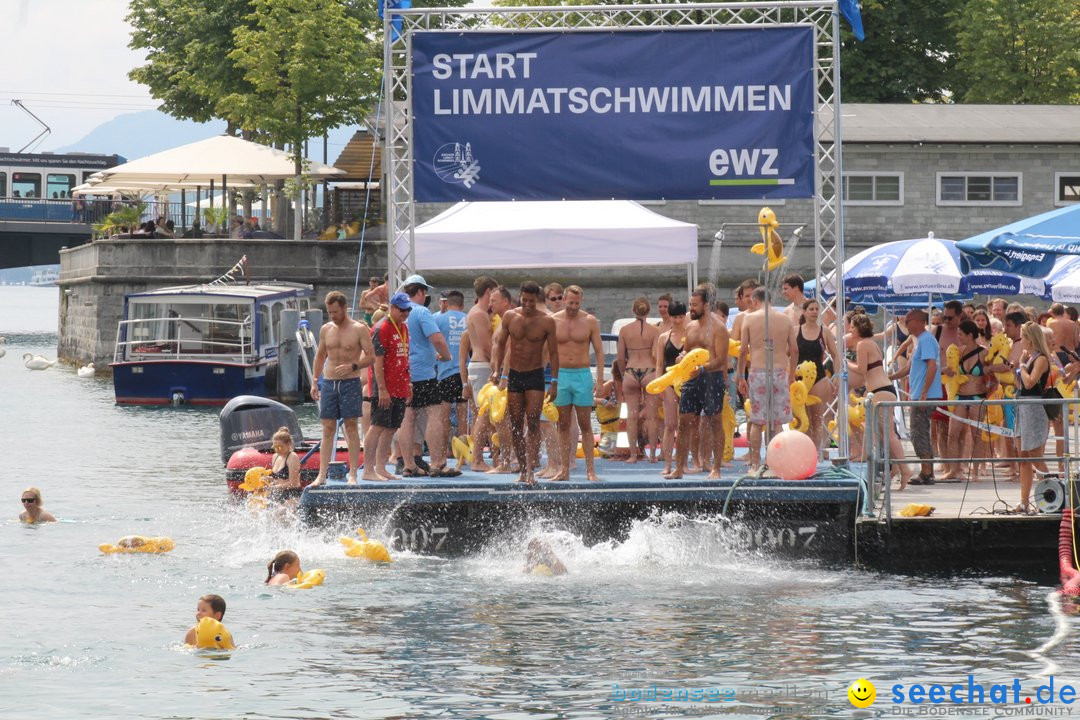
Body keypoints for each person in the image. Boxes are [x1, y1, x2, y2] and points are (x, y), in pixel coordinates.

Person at [491, 281, 559, 485]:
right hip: (514, 375)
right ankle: (521, 469)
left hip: (535, 375)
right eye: (525, 300)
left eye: (532, 301)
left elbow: (555, 354)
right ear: (520, 297)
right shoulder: (511, 317)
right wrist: (497, 370)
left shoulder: (546, 321)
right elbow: (500, 344)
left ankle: (530, 469)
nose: (528, 304)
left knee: (533, 422)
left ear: (537, 300)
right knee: (515, 424)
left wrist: (554, 381)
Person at [309, 291, 376, 486]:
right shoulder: (326, 329)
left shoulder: (358, 329)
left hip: (350, 382)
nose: (333, 316)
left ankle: (353, 474)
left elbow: (371, 357)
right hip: (329, 382)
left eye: (336, 312)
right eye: (330, 312)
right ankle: (321, 474)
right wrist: (315, 381)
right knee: (328, 428)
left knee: (351, 426)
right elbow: (320, 356)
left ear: (345, 309)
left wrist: (353, 366)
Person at [668, 288, 730, 479]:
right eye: (690, 304)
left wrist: (703, 369)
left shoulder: (719, 328)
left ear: (706, 305)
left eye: (695, 305)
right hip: (691, 378)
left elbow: (721, 360)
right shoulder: (690, 326)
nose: (691, 308)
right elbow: (687, 353)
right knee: (684, 422)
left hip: (712, 377)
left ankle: (716, 469)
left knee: (714, 422)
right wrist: (681, 357)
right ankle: (679, 469)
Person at [849, 315, 912, 490]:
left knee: (889, 434)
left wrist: (846, 362)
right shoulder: (871, 343)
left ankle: (905, 469)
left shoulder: (863, 344)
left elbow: (861, 370)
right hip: (884, 389)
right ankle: (897, 468)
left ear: (859, 328)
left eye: (852, 327)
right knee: (885, 434)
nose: (850, 330)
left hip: (880, 391)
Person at [397, 275, 451, 477]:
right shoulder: (421, 311)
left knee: (407, 417)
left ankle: (408, 464)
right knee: (434, 413)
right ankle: (437, 463)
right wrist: (446, 356)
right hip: (424, 372)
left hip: (405, 372)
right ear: (420, 292)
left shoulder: (399, 313)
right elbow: (437, 338)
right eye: (425, 292)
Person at [736, 287, 795, 472]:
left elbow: (742, 350)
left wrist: (739, 375)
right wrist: (791, 374)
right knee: (777, 422)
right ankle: (775, 463)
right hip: (779, 371)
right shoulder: (785, 319)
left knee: (757, 420)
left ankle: (755, 463)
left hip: (758, 371)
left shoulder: (749, 318)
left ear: (754, 301)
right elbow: (794, 350)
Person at [552, 285, 605, 481]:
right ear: (564, 300)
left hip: (582, 374)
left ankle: (591, 469)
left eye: (577, 303)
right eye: (570, 302)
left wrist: (599, 380)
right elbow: (545, 350)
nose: (573, 306)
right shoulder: (553, 320)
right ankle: (564, 469)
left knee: (585, 424)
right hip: (562, 374)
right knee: (562, 425)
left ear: (581, 301)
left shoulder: (589, 321)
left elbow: (599, 351)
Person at [362, 292, 413, 481]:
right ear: (392, 308)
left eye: (408, 309)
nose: (405, 313)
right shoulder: (381, 328)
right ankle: (368, 469)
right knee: (377, 426)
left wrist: (409, 383)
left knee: (391, 427)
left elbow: (404, 358)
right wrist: (382, 389)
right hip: (383, 388)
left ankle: (381, 468)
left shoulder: (404, 328)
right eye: (401, 309)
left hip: (400, 385)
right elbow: (377, 361)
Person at [887, 309, 941, 486]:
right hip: (918, 393)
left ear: (918, 321)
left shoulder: (926, 340)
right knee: (918, 432)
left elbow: (932, 367)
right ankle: (927, 470)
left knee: (919, 433)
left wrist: (924, 393)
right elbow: (909, 368)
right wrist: (889, 378)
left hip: (924, 395)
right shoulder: (919, 341)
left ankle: (926, 472)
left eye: (909, 321)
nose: (906, 324)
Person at [459, 277, 501, 471]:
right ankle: (477, 460)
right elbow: (487, 346)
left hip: (480, 366)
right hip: (482, 365)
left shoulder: (479, 313)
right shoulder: (479, 314)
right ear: (488, 292)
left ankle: (494, 458)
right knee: (484, 417)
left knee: (487, 417)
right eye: (494, 294)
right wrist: (497, 369)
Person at [941, 319, 990, 482]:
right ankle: (954, 469)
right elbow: (950, 371)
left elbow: (993, 378)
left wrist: (987, 392)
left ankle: (975, 470)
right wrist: (947, 371)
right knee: (952, 433)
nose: (958, 337)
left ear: (970, 335)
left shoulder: (984, 353)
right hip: (960, 396)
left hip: (978, 396)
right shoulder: (958, 352)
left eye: (961, 334)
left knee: (976, 434)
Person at [792, 298, 838, 455]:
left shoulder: (824, 332)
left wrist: (837, 375)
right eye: (811, 309)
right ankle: (804, 452)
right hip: (799, 380)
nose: (814, 312)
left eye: (816, 309)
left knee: (817, 418)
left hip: (819, 377)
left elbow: (836, 355)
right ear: (804, 312)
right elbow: (786, 354)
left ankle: (817, 452)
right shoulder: (795, 330)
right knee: (801, 418)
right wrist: (788, 374)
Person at [618, 296, 660, 464]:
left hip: (631, 371)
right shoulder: (655, 331)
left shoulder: (624, 330)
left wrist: (624, 374)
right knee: (652, 417)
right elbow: (657, 356)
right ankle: (652, 456)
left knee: (632, 416)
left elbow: (621, 357)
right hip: (649, 371)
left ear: (633, 310)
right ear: (648, 311)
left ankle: (634, 455)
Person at [1017, 322, 1052, 513]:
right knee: (1023, 456)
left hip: (1034, 407)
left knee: (1035, 456)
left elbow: (1030, 383)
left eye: (1022, 336)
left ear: (1030, 338)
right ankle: (1024, 501)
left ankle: (1049, 496)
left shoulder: (1041, 359)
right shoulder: (1029, 357)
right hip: (1023, 406)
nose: (1021, 340)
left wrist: (1021, 366)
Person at [431, 290, 467, 476]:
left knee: (443, 416)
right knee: (463, 416)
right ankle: (462, 454)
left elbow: (433, 343)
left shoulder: (438, 319)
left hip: (444, 372)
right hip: (463, 373)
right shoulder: (468, 319)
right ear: (462, 305)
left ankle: (445, 452)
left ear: (447, 303)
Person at [655, 300, 688, 475]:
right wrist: (658, 385)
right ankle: (667, 463)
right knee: (670, 424)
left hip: (686, 382)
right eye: (674, 317)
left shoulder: (689, 335)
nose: (677, 320)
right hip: (669, 382)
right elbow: (659, 364)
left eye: (680, 317)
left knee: (685, 425)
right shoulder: (663, 337)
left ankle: (682, 464)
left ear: (684, 316)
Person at [267, 426, 302, 497]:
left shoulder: (292, 457)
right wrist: (268, 479)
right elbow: (277, 479)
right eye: (275, 447)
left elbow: (293, 483)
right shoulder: (275, 456)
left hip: (291, 494)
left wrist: (275, 487)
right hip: (277, 493)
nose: (277, 450)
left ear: (288, 444)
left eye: (280, 447)